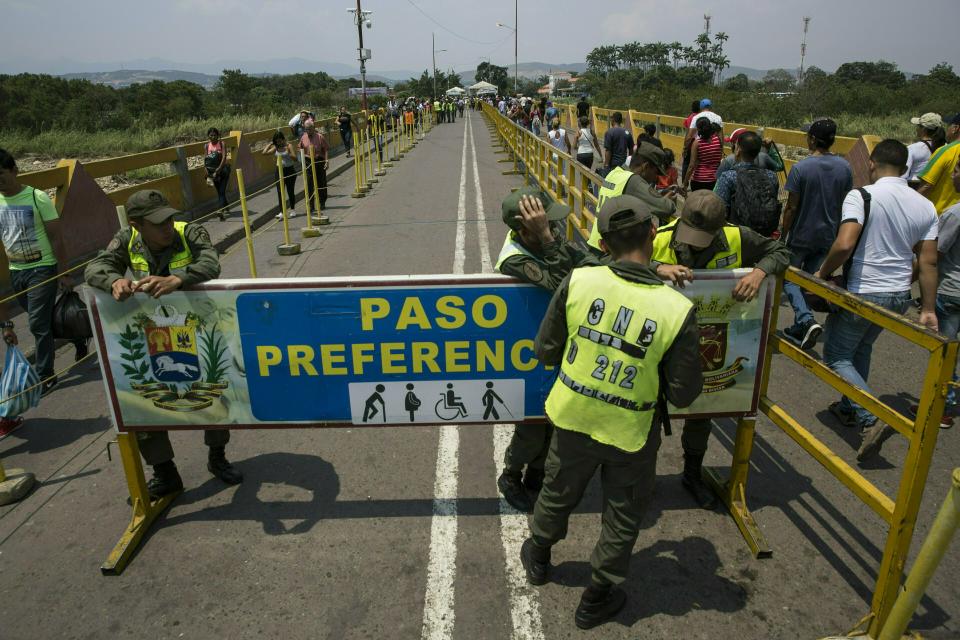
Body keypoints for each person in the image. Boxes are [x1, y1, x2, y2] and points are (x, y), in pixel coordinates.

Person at [520, 194, 703, 630]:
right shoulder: (677, 309)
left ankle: (540, 559)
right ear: (653, 234)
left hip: (572, 415)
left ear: (602, 242)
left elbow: (545, 350)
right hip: (631, 431)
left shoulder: (581, 281)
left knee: (558, 489)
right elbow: (683, 393)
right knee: (623, 513)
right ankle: (596, 597)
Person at [84, 189, 242, 499]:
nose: (168, 227)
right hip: (153, 336)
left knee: (213, 394)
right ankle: (165, 472)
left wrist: (178, 279)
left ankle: (217, 458)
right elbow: (95, 268)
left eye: (169, 219)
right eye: (158, 224)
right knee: (141, 400)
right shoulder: (126, 238)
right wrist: (114, 281)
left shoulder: (189, 232)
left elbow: (211, 262)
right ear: (137, 224)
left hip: (199, 329)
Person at [650, 190, 790, 507]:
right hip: (663, 342)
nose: (693, 242)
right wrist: (655, 268)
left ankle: (692, 473)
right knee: (653, 413)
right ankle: (645, 476)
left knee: (702, 412)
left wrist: (759, 271)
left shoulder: (738, 237)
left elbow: (780, 252)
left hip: (709, 344)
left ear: (720, 228)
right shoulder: (658, 238)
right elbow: (616, 263)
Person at [814, 140, 938, 462]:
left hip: (864, 292)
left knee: (837, 355)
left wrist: (822, 274)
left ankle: (871, 416)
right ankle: (848, 406)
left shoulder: (862, 195)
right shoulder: (926, 205)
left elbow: (844, 244)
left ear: (871, 164)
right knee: (861, 348)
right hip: (898, 296)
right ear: (906, 168)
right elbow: (928, 262)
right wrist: (927, 309)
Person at [495, 187, 600, 511]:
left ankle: (536, 475)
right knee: (532, 426)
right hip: (528, 353)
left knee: (554, 420)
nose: (553, 229)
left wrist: (649, 269)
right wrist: (548, 239)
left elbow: (591, 262)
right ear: (525, 229)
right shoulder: (515, 257)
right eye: (544, 224)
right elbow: (559, 286)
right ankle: (511, 474)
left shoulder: (543, 239)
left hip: (558, 347)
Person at [0, 148, 87, 396]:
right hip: (16, 271)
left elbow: (56, 239)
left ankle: (45, 375)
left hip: (42, 268)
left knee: (37, 322)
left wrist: (64, 273)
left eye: (1, 174)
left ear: (14, 171)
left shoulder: (37, 198)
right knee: (45, 319)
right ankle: (77, 337)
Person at [781, 118, 853, 350]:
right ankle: (800, 327)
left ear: (812, 139)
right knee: (812, 280)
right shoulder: (845, 168)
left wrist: (784, 233)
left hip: (801, 234)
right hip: (828, 235)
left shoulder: (801, 168)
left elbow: (791, 206)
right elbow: (844, 201)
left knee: (790, 278)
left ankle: (805, 319)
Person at [914, 157, 960, 427]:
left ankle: (941, 408)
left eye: (956, 171)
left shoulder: (954, 213)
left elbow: (935, 254)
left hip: (952, 290)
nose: (952, 175)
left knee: (944, 353)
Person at [588, 143, 678, 251]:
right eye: (655, 172)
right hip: (611, 252)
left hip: (596, 242)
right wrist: (667, 199)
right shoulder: (633, 181)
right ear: (645, 166)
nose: (656, 177)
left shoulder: (615, 173)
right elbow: (667, 208)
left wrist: (659, 194)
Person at [713, 131, 782, 237]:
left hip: (738, 235)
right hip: (764, 235)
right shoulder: (771, 176)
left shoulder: (728, 177)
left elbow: (719, 210)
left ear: (738, 149)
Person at [917, 114, 960, 213]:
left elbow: (926, 186)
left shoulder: (946, 151)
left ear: (955, 128)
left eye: (948, 126)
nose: (947, 130)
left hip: (941, 216)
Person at [715, 128, 784, 178]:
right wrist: (770, 149)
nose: (731, 144)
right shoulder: (763, 157)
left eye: (733, 142)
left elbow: (718, 179)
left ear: (738, 145)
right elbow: (780, 167)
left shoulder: (729, 160)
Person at [262, 131, 298, 218]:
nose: (279, 143)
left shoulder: (289, 146)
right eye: (277, 141)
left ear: (283, 139)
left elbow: (295, 159)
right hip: (279, 171)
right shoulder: (276, 147)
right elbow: (264, 153)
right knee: (280, 192)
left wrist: (288, 153)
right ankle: (282, 212)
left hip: (289, 170)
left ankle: (292, 209)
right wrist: (271, 143)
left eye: (280, 141)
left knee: (290, 190)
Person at [903, 113, 945, 186]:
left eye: (918, 126)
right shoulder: (945, 147)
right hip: (936, 188)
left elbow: (904, 175)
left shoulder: (913, 148)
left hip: (915, 187)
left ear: (924, 129)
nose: (917, 129)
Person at [683, 116, 723, 191]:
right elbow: (718, 159)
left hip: (698, 181)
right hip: (714, 180)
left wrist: (685, 182)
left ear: (698, 129)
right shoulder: (718, 140)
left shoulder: (696, 143)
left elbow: (691, 166)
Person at [299, 119, 329, 211]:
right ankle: (311, 205)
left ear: (313, 128)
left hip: (319, 160)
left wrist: (327, 161)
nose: (308, 131)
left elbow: (326, 149)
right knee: (309, 184)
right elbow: (299, 148)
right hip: (308, 161)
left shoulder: (320, 137)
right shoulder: (303, 137)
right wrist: (303, 156)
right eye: (306, 129)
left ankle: (322, 202)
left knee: (321, 182)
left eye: (309, 129)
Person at [203, 128, 230, 220]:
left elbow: (224, 157)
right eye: (211, 135)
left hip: (223, 170)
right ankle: (226, 206)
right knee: (219, 191)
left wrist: (219, 169)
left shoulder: (222, 144)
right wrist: (206, 169)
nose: (213, 137)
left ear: (218, 135)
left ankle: (220, 210)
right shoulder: (206, 146)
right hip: (212, 172)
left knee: (221, 191)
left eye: (214, 135)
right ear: (208, 136)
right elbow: (205, 159)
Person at [681, 99, 704, 181]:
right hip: (701, 142)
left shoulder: (690, 118)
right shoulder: (703, 117)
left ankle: (684, 181)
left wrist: (685, 147)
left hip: (691, 142)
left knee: (686, 163)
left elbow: (688, 134)